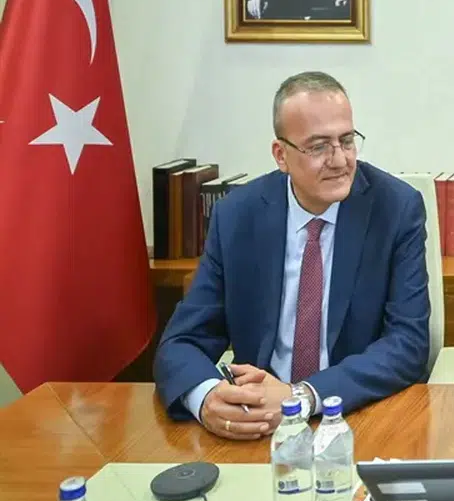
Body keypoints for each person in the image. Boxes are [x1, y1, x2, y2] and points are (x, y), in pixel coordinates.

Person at [153, 71, 430, 439]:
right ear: (281, 155)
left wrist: (300, 396)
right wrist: (207, 399)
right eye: (318, 146)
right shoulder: (237, 215)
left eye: (346, 140)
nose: (339, 160)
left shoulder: (395, 209)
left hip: (357, 417)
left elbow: (408, 345)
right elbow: (181, 342)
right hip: (258, 424)